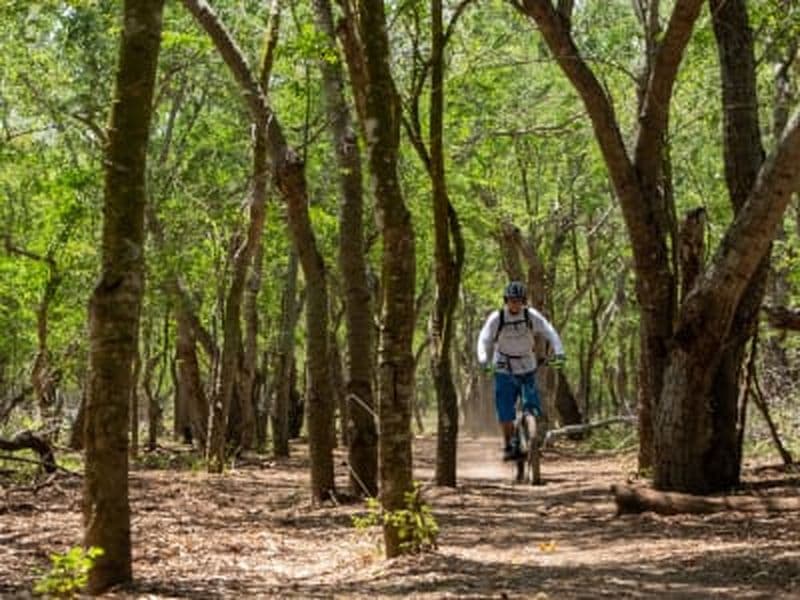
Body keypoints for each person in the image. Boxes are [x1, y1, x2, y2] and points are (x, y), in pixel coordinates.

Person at [476, 280, 565, 461]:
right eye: (511, 300)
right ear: (506, 300)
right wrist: (483, 360)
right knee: (505, 411)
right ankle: (508, 444)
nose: (514, 304)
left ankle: (531, 438)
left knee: (532, 405)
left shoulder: (531, 316)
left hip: (527, 364)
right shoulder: (497, 318)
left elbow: (550, 332)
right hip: (503, 365)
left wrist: (560, 353)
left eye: (518, 300)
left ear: (524, 301)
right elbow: (483, 339)